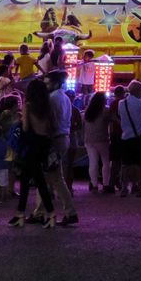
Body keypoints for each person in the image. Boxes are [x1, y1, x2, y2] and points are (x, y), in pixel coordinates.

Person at [12, 86, 58, 227]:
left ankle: (48, 213)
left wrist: (19, 121)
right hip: (44, 143)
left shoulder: (28, 106)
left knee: (32, 180)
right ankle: (21, 213)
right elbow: (53, 127)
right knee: (33, 179)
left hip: (32, 144)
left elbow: (25, 127)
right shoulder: (48, 107)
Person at [44, 72, 79, 225]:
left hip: (55, 140)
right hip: (64, 137)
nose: (46, 86)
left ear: (55, 83)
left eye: (47, 83)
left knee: (56, 178)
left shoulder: (52, 99)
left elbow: (51, 122)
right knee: (51, 177)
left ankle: (70, 212)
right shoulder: (64, 98)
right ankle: (40, 211)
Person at [117, 81, 141, 197]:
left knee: (125, 164)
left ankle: (124, 187)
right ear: (138, 91)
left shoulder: (121, 103)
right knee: (140, 164)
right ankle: (138, 187)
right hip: (138, 137)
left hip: (125, 136)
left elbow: (120, 117)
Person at [83, 91, 111, 193]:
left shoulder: (87, 111)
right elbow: (112, 121)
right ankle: (106, 184)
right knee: (106, 162)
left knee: (93, 162)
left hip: (89, 140)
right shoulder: (105, 110)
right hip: (102, 139)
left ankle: (94, 185)